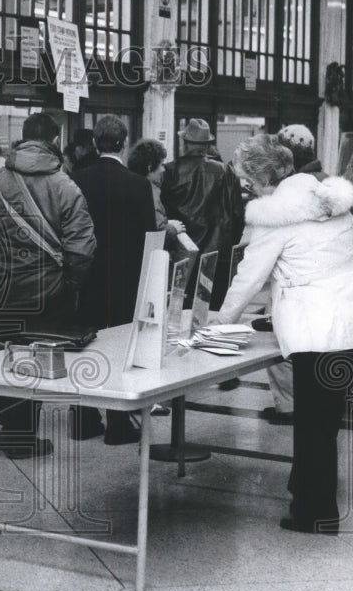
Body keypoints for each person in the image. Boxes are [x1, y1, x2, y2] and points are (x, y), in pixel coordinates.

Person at [214, 135, 353, 534]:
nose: (244, 186)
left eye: (246, 178)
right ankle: (305, 487)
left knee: (312, 422)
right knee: (324, 420)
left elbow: (248, 277)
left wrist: (221, 321)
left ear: (261, 177)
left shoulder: (274, 213)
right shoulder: (328, 197)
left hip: (320, 328)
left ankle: (316, 514)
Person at [0, 112, 96, 459]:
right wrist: (71, 283)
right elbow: (81, 245)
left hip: (1, 286)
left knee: (8, 354)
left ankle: (10, 427)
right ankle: (22, 436)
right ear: (55, 141)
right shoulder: (65, 185)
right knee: (37, 357)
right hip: (48, 289)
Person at [70, 116, 157, 443]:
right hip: (125, 277)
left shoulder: (77, 179)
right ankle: (119, 425)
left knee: (85, 345)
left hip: (89, 274)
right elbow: (149, 235)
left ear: (95, 143)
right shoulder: (138, 183)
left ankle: (83, 420)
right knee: (120, 348)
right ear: (123, 143)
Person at [258, 125, 326, 425]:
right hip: (321, 282)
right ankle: (306, 404)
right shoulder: (324, 181)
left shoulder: (292, 189)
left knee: (281, 344)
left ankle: (289, 406)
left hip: (295, 282)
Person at [161, 118, 245, 311]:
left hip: (183, 257)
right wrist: (228, 245)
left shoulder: (170, 171)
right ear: (207, 145)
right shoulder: (225, 171)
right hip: (218, 257)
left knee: (179, 313)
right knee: (211, 314)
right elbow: (238, 216)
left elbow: (163, 215)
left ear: (185, 143)